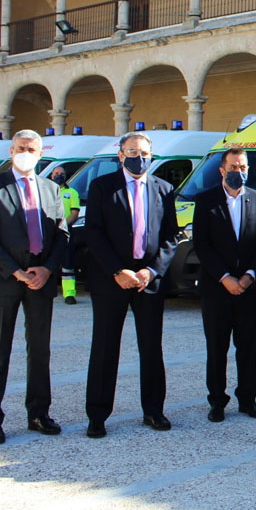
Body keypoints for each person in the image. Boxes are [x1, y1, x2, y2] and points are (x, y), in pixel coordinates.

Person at [84, 131, 181, 438]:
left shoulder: (164, 189)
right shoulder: (102, 187)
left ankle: (153, 410)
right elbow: (93, 234)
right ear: (121, 154)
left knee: (151, 346)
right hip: (112, 279)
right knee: (105, 347)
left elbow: (170, 237)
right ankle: (97, 415)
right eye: (133, 152)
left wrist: (153, 271)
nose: (139, 158)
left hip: (147, 281)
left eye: (144, 153)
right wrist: (117, 270)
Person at [0, 130, 68, 444]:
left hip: (40, 280)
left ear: (40, 154)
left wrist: (47, 269)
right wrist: (16, 271)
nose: (25, 153)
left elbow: (61, 235)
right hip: (6, 281)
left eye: (31, 149)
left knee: (40, 351)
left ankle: (39, 413)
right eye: (20, 148)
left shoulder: (52, 189)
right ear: (11, 151)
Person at [191, 149, 256, 423]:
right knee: (217, 348)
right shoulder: (205, 201)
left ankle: (248, 399)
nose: (240, 171)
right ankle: (217, 401)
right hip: (217, 289)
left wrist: (249, 275)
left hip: (249, 290)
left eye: (244, 166)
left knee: (248, 347)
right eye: (234, 167)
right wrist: (224, 277)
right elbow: (201, 245)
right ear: (222, 170)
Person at [49, 167, 81, 304]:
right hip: (49, 233)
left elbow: (74, 213)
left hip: (66, 232)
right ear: (51, 176)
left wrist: (62, 226)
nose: (59, 176)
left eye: (62, 174)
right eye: (56, 174)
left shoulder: (71, 192)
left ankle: (69, 294)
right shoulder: (46, 191)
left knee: (67, 263)